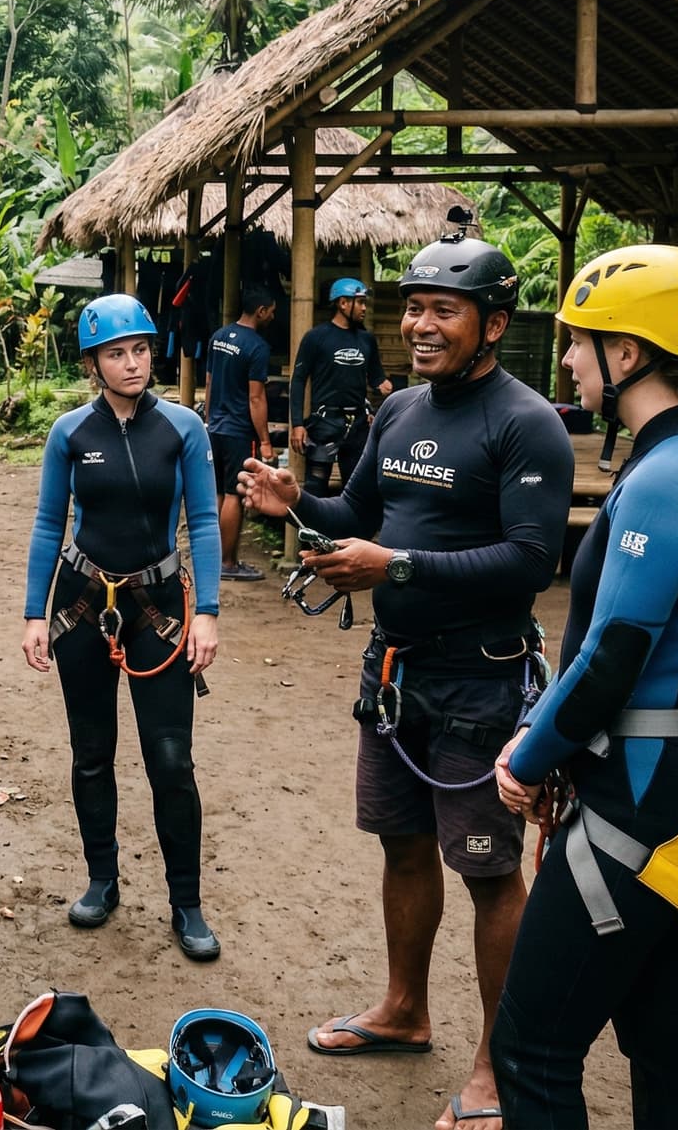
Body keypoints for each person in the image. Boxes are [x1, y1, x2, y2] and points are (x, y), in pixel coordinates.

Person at [240, 222, 572, 1130]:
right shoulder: (399, 411)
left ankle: (498, 1064)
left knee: (490, 871)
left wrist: (398, 569)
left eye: (444, 310)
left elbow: (532, 559)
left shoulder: (526, 421)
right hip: (393, 676)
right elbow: (356, 509)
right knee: (399, 842)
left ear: (493, 323)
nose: (422, 325)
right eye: (414, 308)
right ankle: (405, 1008)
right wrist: (294, 501)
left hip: (480, 682)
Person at [491, 245, 678, 1128]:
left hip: (642, 800)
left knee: (530, 1050)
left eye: (581, 340)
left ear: (631, 353)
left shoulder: (671, 474)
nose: (568, 358)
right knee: (659, 1032)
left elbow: (613, 656)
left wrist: (529, 755)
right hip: (665, 786)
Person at [22, 294, 224, 961]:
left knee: (171, 757)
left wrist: (209, 613)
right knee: (91, 750)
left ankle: (186, 901)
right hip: (81, 600)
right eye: (116, 352)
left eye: (140, 348)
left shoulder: (185, 429)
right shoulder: (70, 433)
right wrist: (33, 612)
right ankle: (102, 880)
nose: (132, 362)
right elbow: (52, 524)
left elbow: (201, 521)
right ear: (93, 363)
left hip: (158, 603)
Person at [290, 277, 393, 497]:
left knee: (354, 491)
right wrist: (297, 424)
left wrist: (382, 390)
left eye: (365, 302)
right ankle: (311, 531)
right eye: (360, 302)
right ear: (342, 303)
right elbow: (298, 380)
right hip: (324, 423)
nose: (364, 308)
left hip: (357, 426)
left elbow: (377, 378)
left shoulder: (366, 340)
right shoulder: (315, 338)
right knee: (315, 489)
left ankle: (349, 531)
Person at [205, 284, 278, 582]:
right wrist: (264, 441)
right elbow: (256, 398)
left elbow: (209, 382)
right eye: (271, 312)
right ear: (260, 311)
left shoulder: (219, 337)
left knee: (219, 493)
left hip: (216, 426)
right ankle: (228, 562)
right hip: (238, 431)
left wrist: (209, 418)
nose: (273, 317)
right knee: (235, 493)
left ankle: (212, 559)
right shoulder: (257, 347)